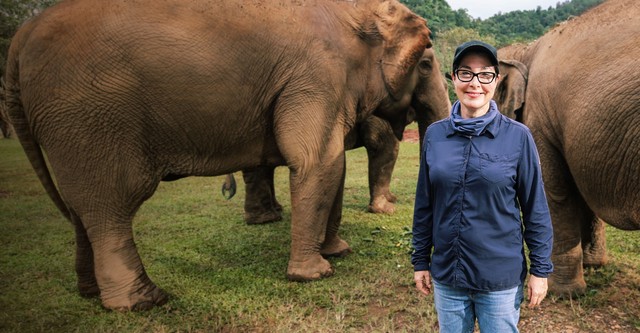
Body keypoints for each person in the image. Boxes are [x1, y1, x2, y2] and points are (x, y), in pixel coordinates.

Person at [411, 40, 554, 333]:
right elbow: (425, 205)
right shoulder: (435, 135)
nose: (475, 83)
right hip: (448, 276)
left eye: (485, 75)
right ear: (453, 79)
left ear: (496, 81)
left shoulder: (518, 137)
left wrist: (540, 270)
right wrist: (420, 260)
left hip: (499, 279)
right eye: (466, 73)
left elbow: (535, 208)